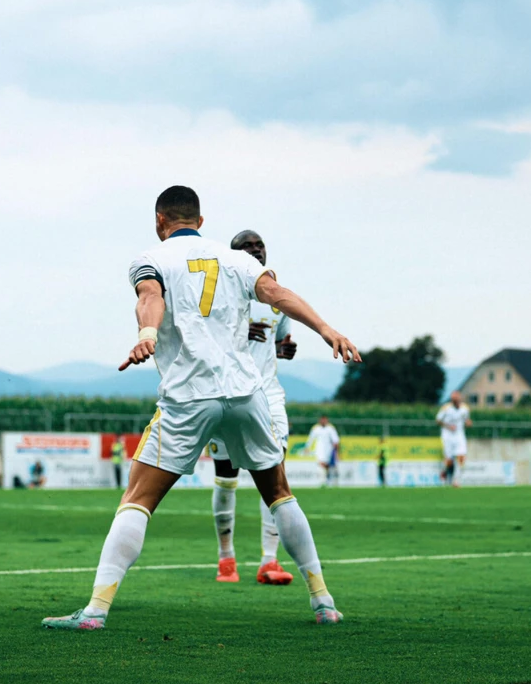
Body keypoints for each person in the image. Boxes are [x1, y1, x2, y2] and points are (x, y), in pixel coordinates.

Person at [42, 185, 360, 631]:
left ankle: (95, 611)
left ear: (159, 221)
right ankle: (323, 602)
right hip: (246, 394)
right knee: (279, 492)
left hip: (190, 397)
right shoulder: (239, 260)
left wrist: (146, 335)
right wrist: (327, 329)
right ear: (201, 221)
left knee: (137, 500)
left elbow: (149, 298)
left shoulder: (150, 258)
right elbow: (277, 294)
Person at [208, 230, 298, 586]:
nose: (255, 250)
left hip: (268, 395)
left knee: (275, 475)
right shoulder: (216, 297)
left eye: (259, 245)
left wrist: (283, 350)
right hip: (227, 394)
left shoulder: (275, 296)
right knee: (227, 479)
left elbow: (278, 342)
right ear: (233, 258)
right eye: (246, 247)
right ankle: (226, 559)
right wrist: (239, 333)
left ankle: (269, 561)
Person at [437, 391, 472, 487]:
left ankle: (456, 480)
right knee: (449, 461)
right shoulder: (446, 408)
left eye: (457, 399)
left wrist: (468, 422)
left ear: (460, 399)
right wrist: (448, 426)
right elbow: (438, 420)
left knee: (461, 456)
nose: (455, 401)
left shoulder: (465, 408)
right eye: (453, 399)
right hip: (447, 435)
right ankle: (444, 472)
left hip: (459, 435)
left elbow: (466, 419)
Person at [306, 415, 340, 487]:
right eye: (322, 420)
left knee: (327, 465)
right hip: (319, 449)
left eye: (325, 420)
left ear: (327, 420)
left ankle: (328, 480)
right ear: (320, 420)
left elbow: (336, 440)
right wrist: (308, 447)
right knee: (321, 464)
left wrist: (336, 451)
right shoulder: (316, 428)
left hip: (329, 449)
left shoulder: (331, 428)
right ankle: (322, 481)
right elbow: (311, 438)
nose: (323, 421)